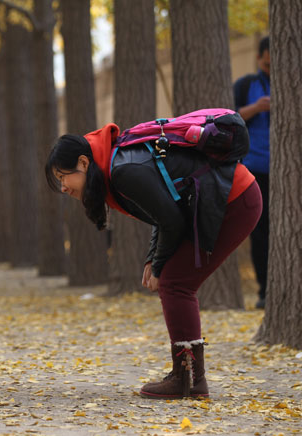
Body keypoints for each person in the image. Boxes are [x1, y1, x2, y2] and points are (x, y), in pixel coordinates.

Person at [45, 123, 262, 399]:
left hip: (233, 199)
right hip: (224, 198)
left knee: (175, 284)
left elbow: (170, 218)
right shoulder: (117, 165)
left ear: (84, 163)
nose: (63, 187)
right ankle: (189, 378)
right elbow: (163, 209)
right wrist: (153, 258)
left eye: (63, 177)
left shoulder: (122, 170)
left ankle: (188, 379)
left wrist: (159, 266)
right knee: (174, 281)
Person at [234, 36, 270, 309]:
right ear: (259, 59)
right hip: (255, 171)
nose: (271, 67)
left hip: (288, 173)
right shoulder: (247, 85)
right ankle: (264, 292)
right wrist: (256, 108)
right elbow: (229, 116)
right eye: (267, 63)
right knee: (260, 232)